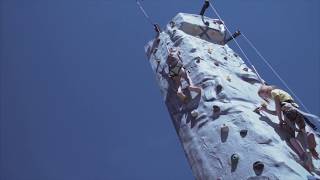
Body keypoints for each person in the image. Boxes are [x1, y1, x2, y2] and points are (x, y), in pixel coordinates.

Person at [257, 84, 319, 171]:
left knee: (290, 136)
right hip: (296, 111)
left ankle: (303, 155)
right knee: (303, 131)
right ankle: (312, 149)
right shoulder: (283, 95)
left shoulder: (274, 92)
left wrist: (280, 120)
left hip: (288, 111)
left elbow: (278, 109)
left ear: (267, 91)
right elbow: (277, 111)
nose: (267, 97)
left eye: (265, 95)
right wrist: (265, 110)